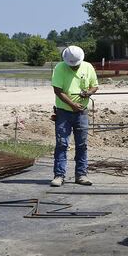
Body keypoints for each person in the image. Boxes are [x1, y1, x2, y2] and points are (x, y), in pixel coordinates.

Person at [50, 45, 98, 187]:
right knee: (62, 144)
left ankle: (81, 175)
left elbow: (94, 86)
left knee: (82, 145)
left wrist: (88, 93)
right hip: (63, 112)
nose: (74, 67)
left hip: (82, 112)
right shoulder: (59, 68)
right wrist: (72, 105)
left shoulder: (88, 67)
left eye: (76, 65)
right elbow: (57, 90)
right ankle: (59, 175)